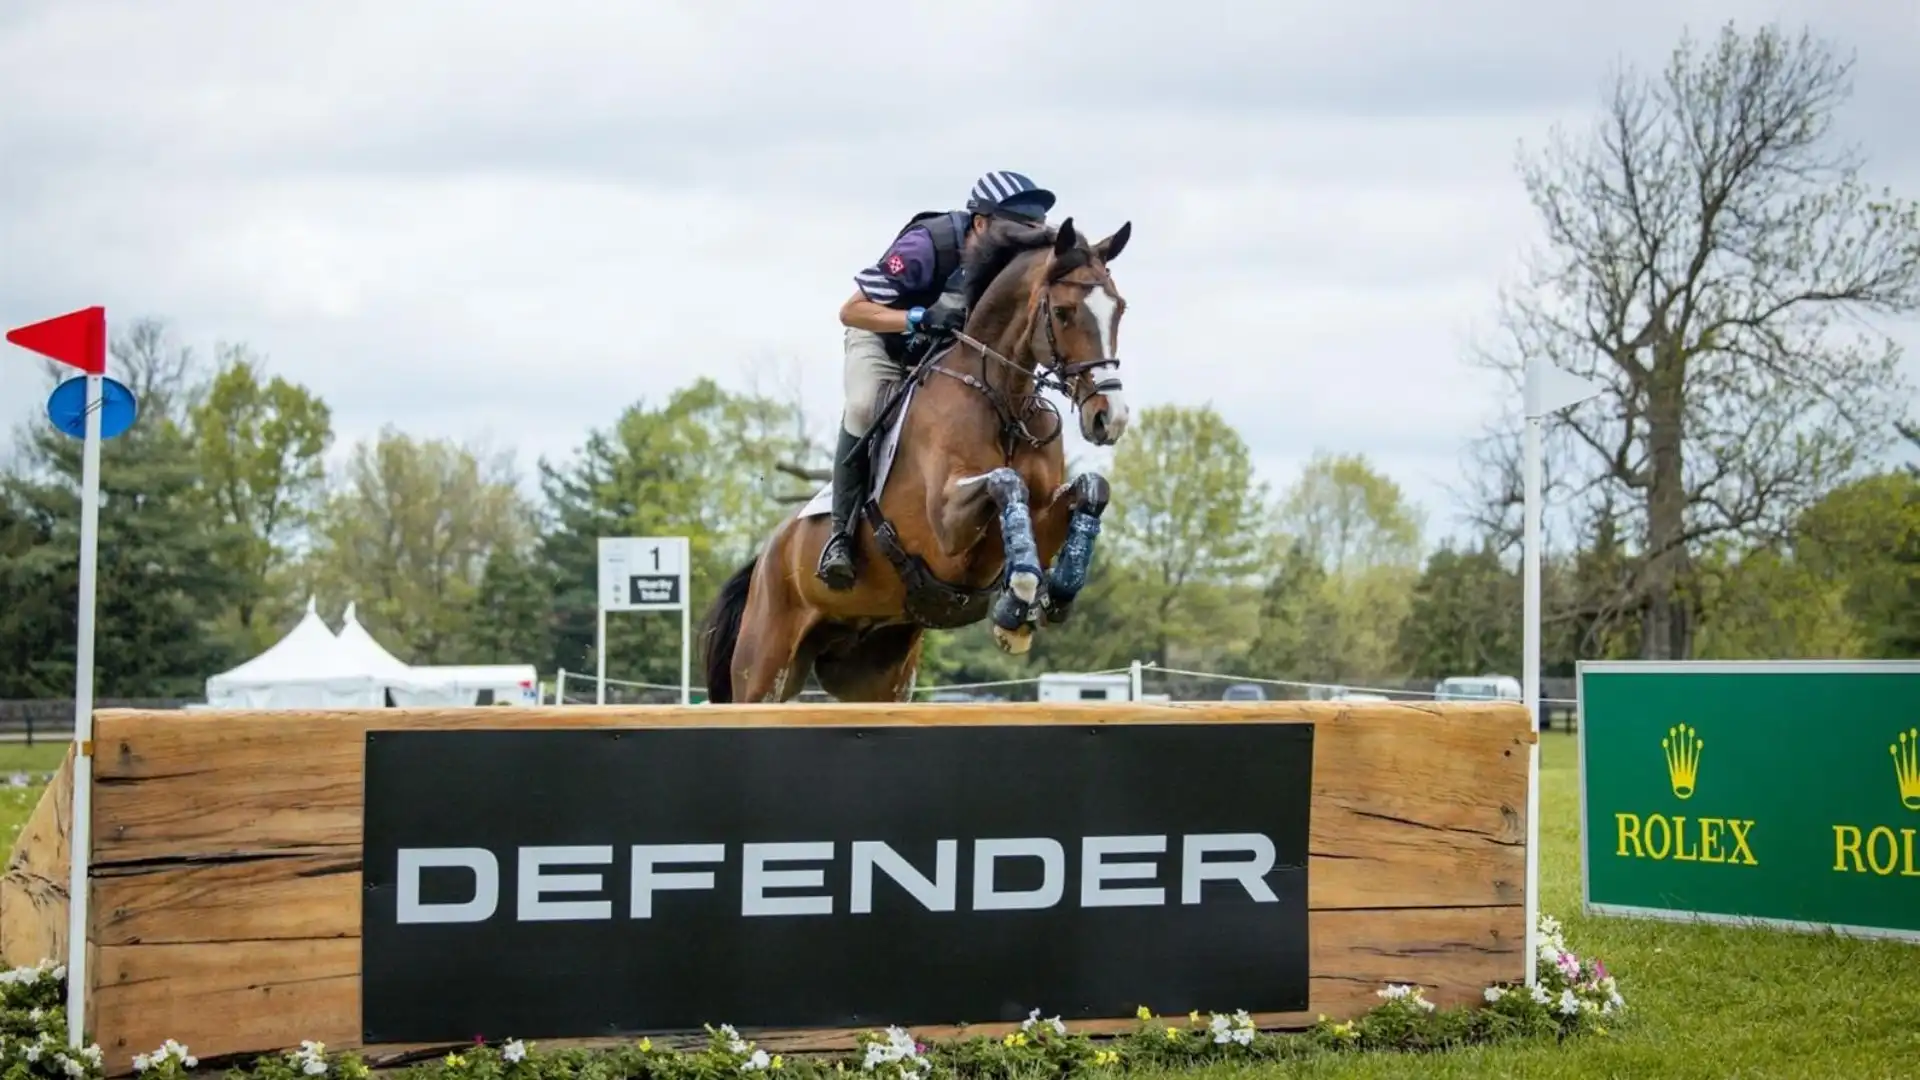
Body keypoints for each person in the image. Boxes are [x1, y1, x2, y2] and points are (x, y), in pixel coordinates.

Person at [815, 170, 1057, 589]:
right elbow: (852, 310)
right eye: (1015, 234)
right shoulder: (927, 245)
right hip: (883, 338)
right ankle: (840, 534)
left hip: (949, 350)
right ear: (980, 224)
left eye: (1031, 235)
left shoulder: (1020, 259)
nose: (1023, 246)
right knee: (862, 404)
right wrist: (917, 317)